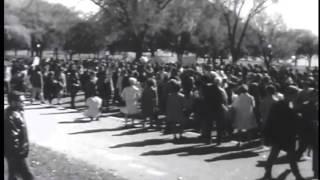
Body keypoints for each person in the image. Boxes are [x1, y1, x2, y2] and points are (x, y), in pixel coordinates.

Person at [261, 85, 305, 180]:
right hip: (280, 134)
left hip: (287, 135)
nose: (296, 97)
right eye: (295, 95)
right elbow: (271, 121)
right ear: (289, 95)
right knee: (279, 155)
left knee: (282, 155)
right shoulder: (279, 105)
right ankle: (269, 173)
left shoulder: (289, 105)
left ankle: (297, 175)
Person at [4, 91, 34, 180]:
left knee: (13, 176)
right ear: (13, 102)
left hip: (16, 152)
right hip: (16, 153)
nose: (23, 103)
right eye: (21, 101)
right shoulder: (11, 116)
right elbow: (12, 137)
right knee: (28, 176)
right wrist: (17, 154)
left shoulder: (16, 113)